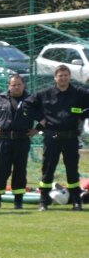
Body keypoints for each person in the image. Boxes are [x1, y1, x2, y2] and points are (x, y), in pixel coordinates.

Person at [24, 64, 89, 211]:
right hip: (51, 136)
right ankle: (44, 201)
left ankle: (76, 201)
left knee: (72, 169)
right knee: (48, 168)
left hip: (71, 137)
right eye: (60, 75)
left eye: (66, 75)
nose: (63, 78)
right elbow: (26, 105)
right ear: (55, 78)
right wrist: (40, 119)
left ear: (69, 77)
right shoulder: (45, 94)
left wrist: (82, 115)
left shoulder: (79, 93)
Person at [0, 74, 36, 210]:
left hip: (21, 139)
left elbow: (45, 114)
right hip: (3, 139)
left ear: (23, 85)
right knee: (0, 171)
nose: (16, 87)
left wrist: (38, 129)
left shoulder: (31, 100)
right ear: (8, 86)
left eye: (19, 84)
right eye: (13, 85)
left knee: (20, 171)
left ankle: (18, 201)